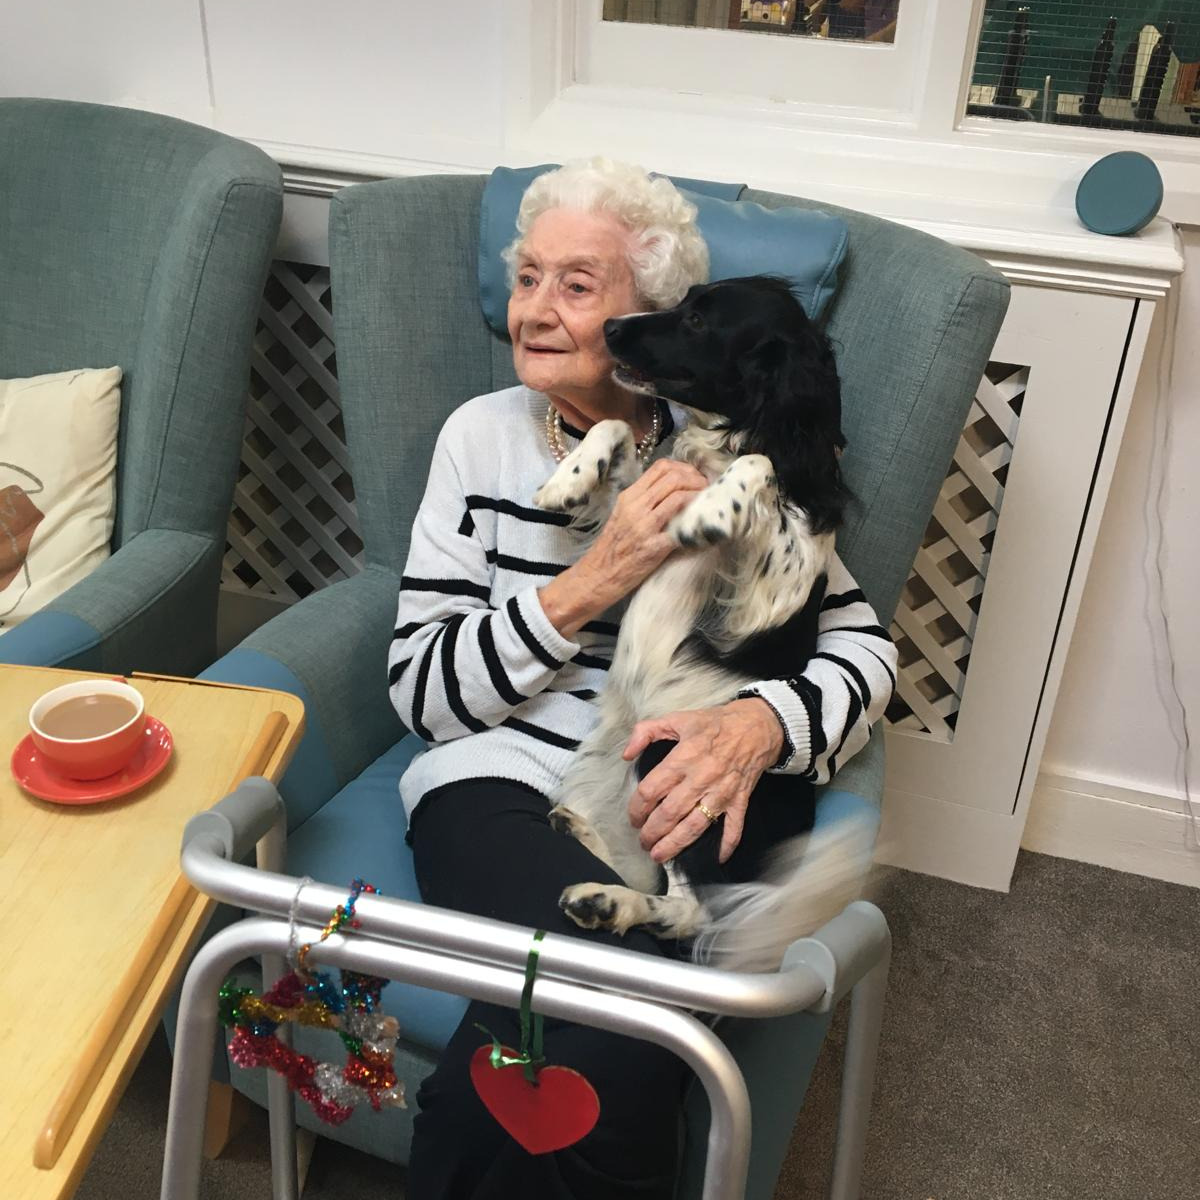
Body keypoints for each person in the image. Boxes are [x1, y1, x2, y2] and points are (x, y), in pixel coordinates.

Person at [389, 157, 898, 1199]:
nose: (535, 308)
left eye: (577, 284)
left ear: (649, 313)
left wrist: (762, 723)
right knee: (625, 1026)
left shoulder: (727, 451)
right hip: (501, 778)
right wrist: (584, 585)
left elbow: (864, 647)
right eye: (527, 277)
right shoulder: (477, 441)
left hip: (660, 783)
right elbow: (420, 692)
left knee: (586, 1037)